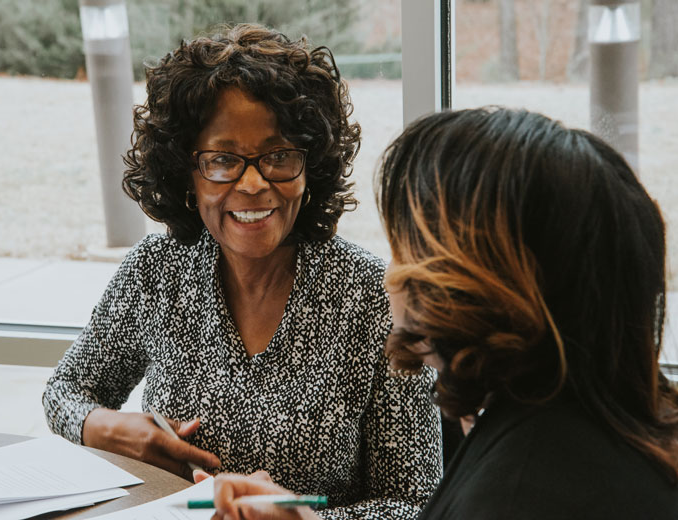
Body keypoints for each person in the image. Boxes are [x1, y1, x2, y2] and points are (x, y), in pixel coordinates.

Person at [42, 23, 442, 518]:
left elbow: (417, 503)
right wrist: (104, 426)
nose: (253, 184)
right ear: (186, 173)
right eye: (223, 159)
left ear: (310, 165)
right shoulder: (157, 271)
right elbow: (66, 390)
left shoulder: (372, 297)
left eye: (277, 156)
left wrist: (305, 519)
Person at [208, 107, 678, 520]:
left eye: (407, 246)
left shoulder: (519, 493)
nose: (393, 274)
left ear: (475, 284)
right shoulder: (600, 425)